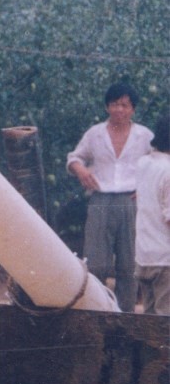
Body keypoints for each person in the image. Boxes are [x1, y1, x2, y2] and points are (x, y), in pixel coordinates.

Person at [67, 82, 152, 311]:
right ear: (107, 107)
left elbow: (160, 164)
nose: (119, 110)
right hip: (100, 201)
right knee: (95, 263)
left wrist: (146, 188)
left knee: (129, 265)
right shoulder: (95, 134)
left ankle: (125, 317)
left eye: (124, 105)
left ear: (133, 109)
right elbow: (74, 158)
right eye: (114, 104)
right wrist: (81, 171)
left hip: (131, 203)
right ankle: (97, 312)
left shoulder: (144, 136)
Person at [134, 111, 170, 315]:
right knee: (166, 323)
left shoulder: (143, 164)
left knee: (148, 323)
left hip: (144, 257)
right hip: (166, 260)